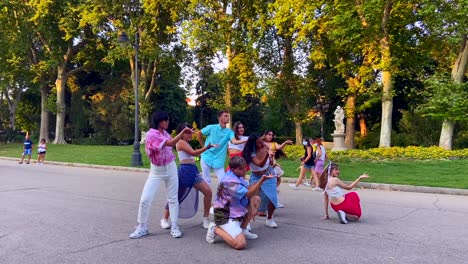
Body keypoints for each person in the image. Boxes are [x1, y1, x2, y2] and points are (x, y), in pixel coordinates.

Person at [129, 110, 193, 239]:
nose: (168, 122)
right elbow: (170, 143)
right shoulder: (151, 134)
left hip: (170, 168)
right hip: (156, 171)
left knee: (173, 198)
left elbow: (170, 146)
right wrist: (183, 132)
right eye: (166, 120)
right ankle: (142, 227)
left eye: (168, 120)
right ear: (159, 121)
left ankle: (174, 226)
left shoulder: (165, 133)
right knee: (145, 199)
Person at [206, 156, 272, 249]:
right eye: (241, 169)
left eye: (245, 168)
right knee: (240, 244)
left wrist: (252, 207)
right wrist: (261, 180)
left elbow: (251, 191)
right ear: (232, 170)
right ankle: (214, 228)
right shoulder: (229, 181)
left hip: (235, 211)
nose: (244, 171)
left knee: (256, 199)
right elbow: (248, 193)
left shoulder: (238, 176)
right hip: (224, 215)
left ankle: (243, 229)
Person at [160, 123, 216, 230]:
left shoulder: (186, 143)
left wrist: (198, 158)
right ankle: (164, 219)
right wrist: (207, 147)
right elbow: (194, 153)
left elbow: (192, 157)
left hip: (193, 172)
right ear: (182, 133)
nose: (191, 134)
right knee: (177, 196)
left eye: (191, 132)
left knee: (208, 192)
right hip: (184, 172)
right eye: (188, 132)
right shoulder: (180, 142)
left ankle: (205, 218)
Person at [196, 111, 246, 185]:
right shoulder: (211, 127)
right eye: (225, 116)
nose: (228, 117)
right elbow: (199, 134)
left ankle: (221, 196)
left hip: (219, 161)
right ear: (219, 118)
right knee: (207, 181)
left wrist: (248, 139)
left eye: (228, 116)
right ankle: (207, 196)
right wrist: (204, 147)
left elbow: (234, 141)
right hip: (206, 157)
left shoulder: (229, 132)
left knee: (223, 183)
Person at [243, 133, 279, 228]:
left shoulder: (265, 146)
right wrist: (267, 155)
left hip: (269, 174)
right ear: (252, 144)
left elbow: (269, 162)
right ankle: (246, 223)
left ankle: (269, 219)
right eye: (258, 143)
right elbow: (259, 164)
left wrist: (270, 157)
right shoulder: (251, 152)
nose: (261, 144)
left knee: (273, 198)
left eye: (261, 141)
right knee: (252, 199)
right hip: (256, 176)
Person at [262, 130, 292, 207]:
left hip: (273, 165)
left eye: (272, 135)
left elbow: (279, 147)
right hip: (264, 165)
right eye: (269, 134)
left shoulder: (273, 144)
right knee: (269, 182)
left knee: (277, 180)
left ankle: (273, 197)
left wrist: (285, 143)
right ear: (265, 135)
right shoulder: (261, 143)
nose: (270, 136)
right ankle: (270, 199)